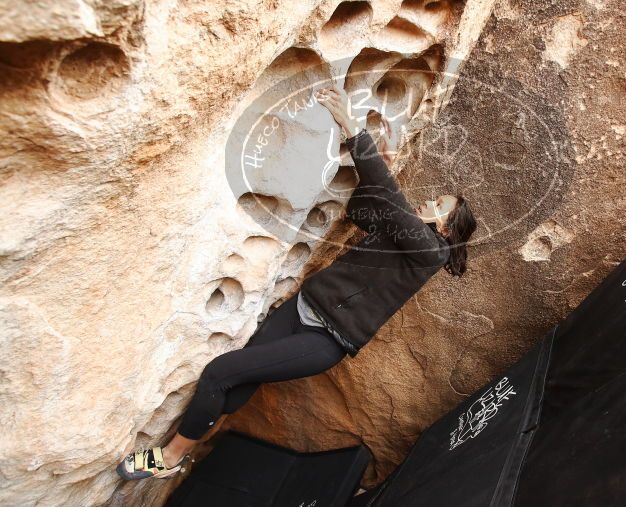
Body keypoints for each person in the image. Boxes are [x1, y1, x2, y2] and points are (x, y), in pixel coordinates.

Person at [116, 85, 477, 480]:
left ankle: (169, 458)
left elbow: (391, 198)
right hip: (302, 307)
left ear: (445, 227)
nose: (429, 203)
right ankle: (198, 435)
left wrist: (353, 128)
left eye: (439, 206)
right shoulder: (402, 236)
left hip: (325, 339)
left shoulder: (432, 253)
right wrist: (376, 181)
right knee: (238, 382)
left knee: (220, 372)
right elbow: (362, 209)